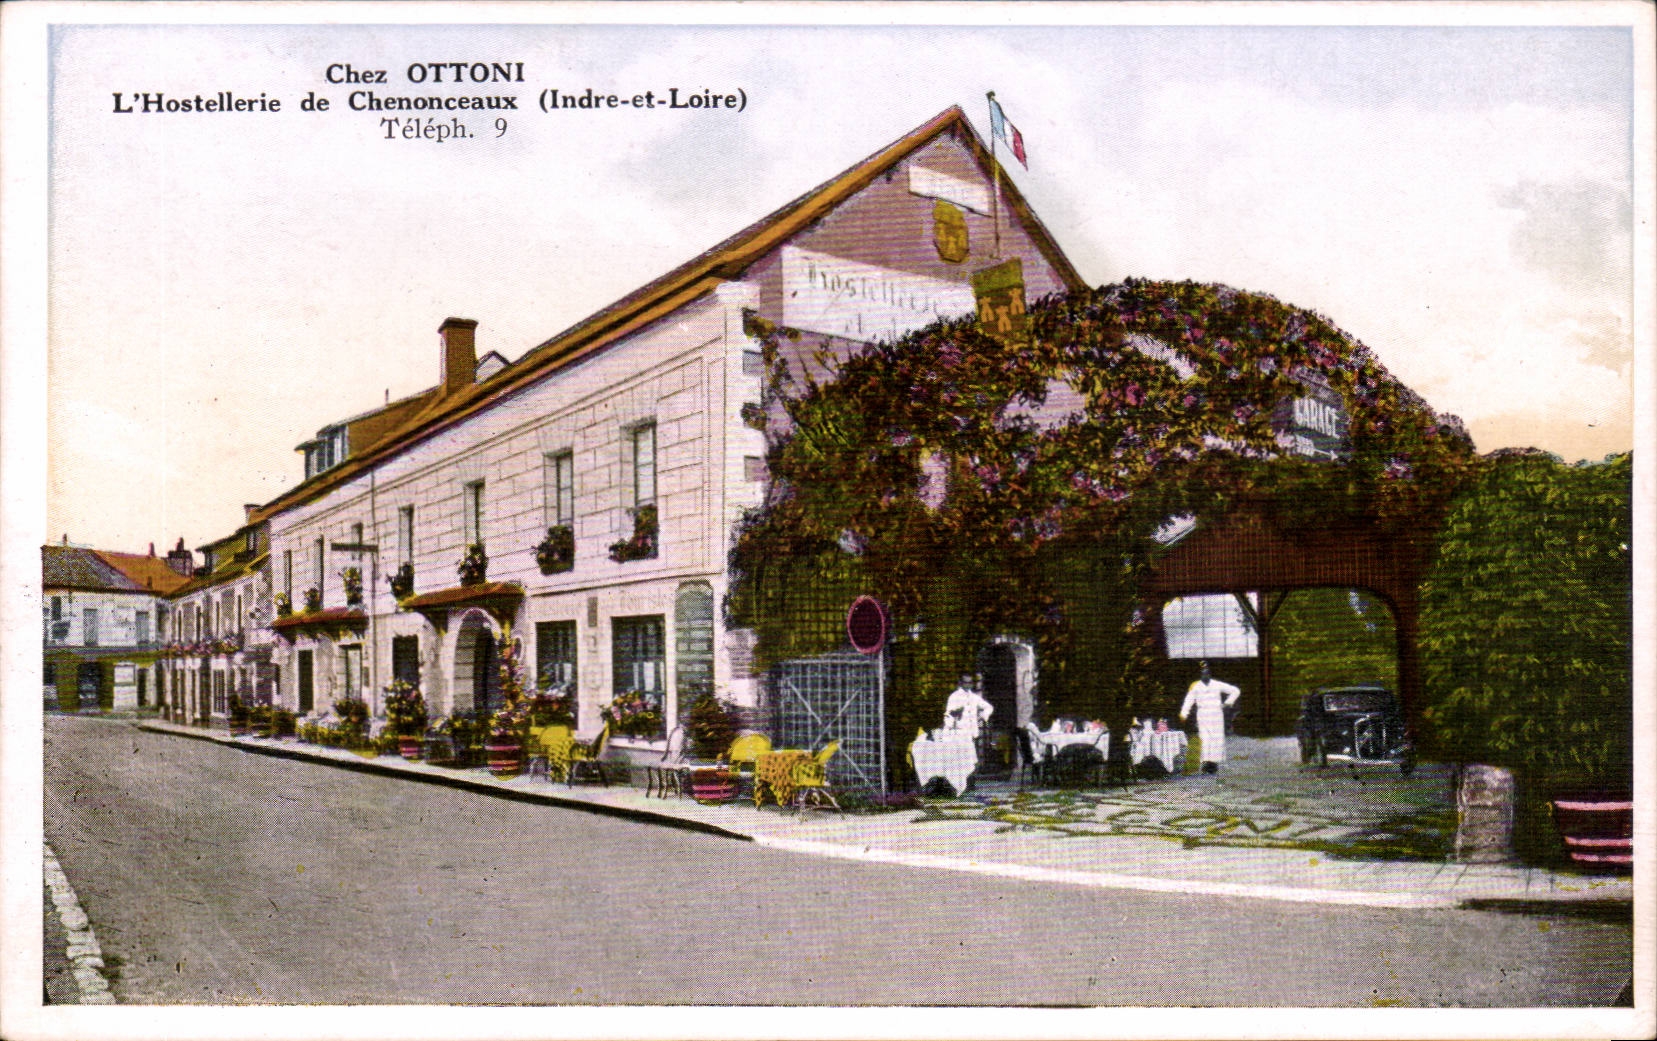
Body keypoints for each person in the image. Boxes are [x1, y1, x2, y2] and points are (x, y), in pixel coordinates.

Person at [1178, 661, 1241, 774]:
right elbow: (1188, 701)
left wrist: (1228, 702)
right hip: (1203, 715)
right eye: (1203, 673)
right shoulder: (1196, 687)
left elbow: (1235, 691)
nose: (1205, 676)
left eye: (1207, 673)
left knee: (1216, 738)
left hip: (1216, 714)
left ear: (1210, 674)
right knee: (1205, 738)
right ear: (1200, 675)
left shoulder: (1217, 684)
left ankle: (1214, 763)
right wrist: (1184, 713)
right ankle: (1206, 763)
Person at [943, 674, 994, 742]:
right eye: (965, 682)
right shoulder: (954, 696)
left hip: (971, 733)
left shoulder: (974, 697)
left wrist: (982, 716)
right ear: (961, 683)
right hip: (958, 734)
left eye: (970, 682)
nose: (968, 685)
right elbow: (948, 715)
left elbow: (989, 707)